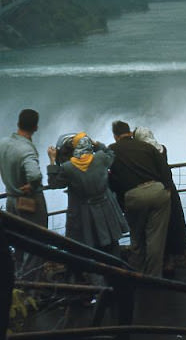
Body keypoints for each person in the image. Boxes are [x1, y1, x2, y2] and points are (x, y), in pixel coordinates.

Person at [46, 132, 128, 259]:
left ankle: (97, 275)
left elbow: (54, 183)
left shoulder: (68, 168)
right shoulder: (101, 158)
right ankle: (117, 271)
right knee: (112, 243)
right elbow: (111, 153)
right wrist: (96, 144)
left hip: (85, 212)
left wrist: (52, 161)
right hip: (107, 208)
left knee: (91, 244)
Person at [108, 120, 172, 277]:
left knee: (136, 237)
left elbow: (112, 179)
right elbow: (165, 171)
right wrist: (167, 189)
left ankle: (137, 274)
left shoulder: (112, 150)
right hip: (157, 192)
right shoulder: (147, 147)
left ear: (115, 136)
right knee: (155, 239)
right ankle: (154, 277)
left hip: (134, 196)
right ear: (130, 133)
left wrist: (122, 201)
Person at [133, 126, 186, 278]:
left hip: (153, 190)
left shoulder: (142, 152)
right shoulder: (161, 148)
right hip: (169, 189)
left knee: (154, 230)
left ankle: (155, 265)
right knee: (171, 225)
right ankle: (170, 261)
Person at [0, 109, 48, 280]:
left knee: (18, 244)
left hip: (11, 202)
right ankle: (30, 293)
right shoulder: (26, 149)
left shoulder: (3, 143)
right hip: (28, 203)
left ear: (18, 123)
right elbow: (34, 174)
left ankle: (18, 284)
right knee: (37, 245)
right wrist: (33, 185)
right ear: (35, 127)